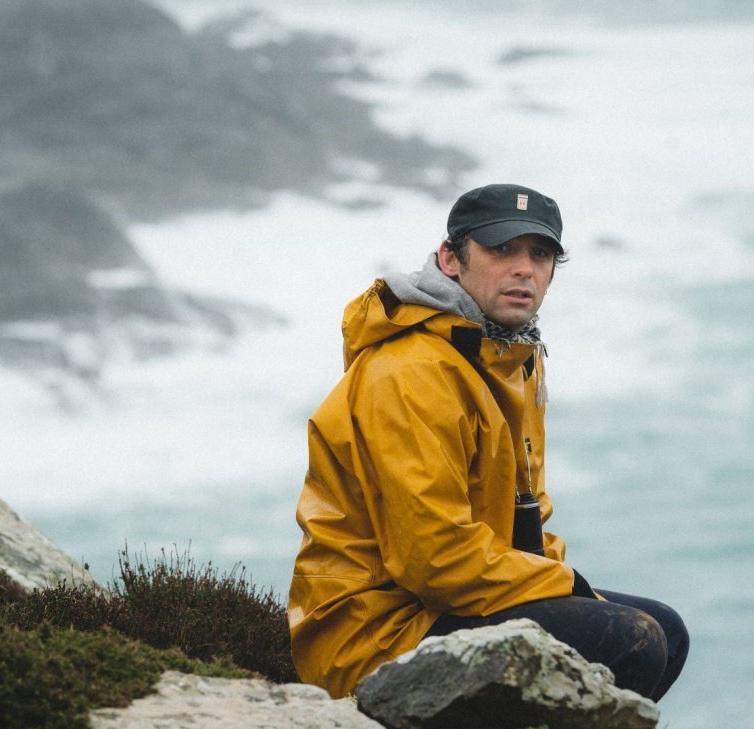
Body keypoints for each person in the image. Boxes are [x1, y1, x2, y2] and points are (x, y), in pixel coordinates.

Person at [288, 183, 689, 701]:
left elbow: (526, 519)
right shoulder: (410, 371)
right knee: (633, 640)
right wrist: (571, 589)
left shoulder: (508, 357)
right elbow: (434, 560)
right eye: (502, 250)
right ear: (451, 259)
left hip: (456, 602)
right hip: (376, 635)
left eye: (540, 254)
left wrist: (565, 584)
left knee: (666, 631)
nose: (524, 269)